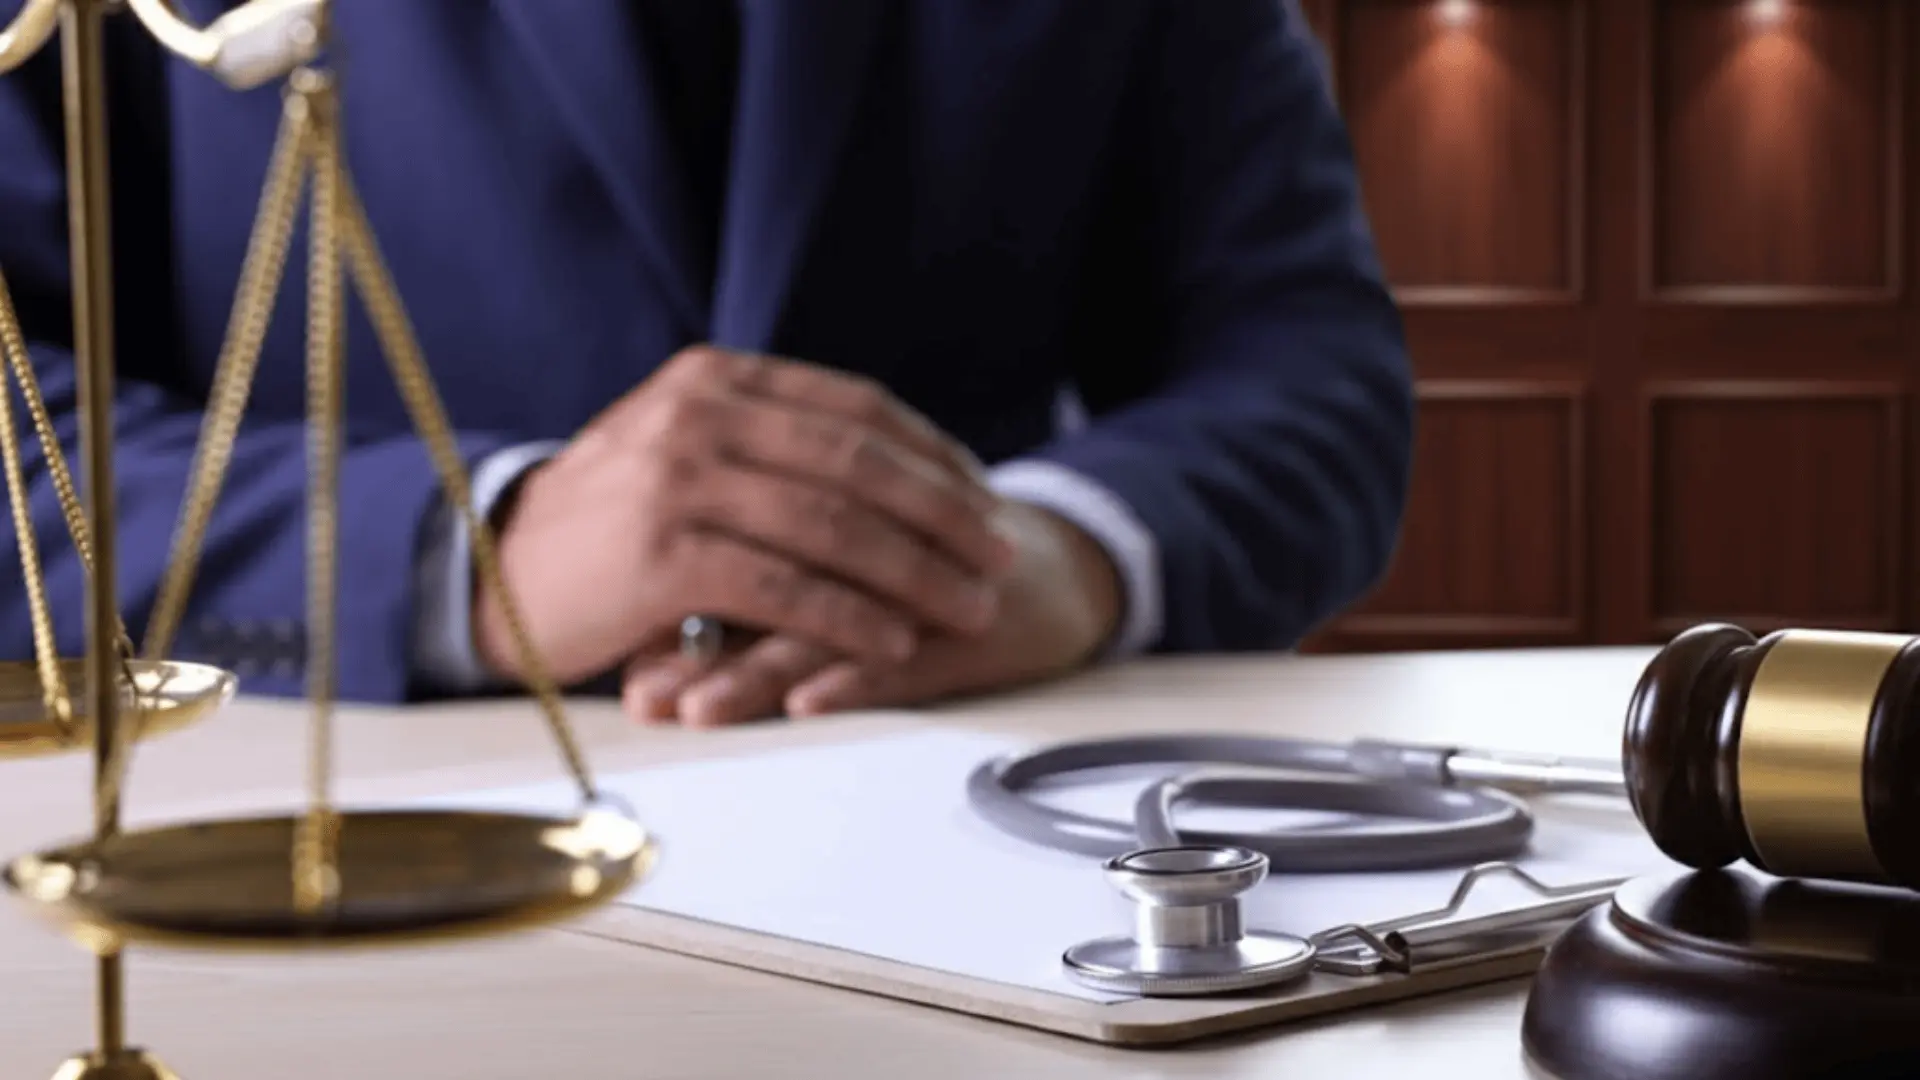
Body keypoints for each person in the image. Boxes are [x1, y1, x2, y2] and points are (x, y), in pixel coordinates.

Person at [0, 0, 1414, 728]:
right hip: (327, 830)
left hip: (957, 800)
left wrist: (1069, 554)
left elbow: (1312, 366)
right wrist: (460, 550)